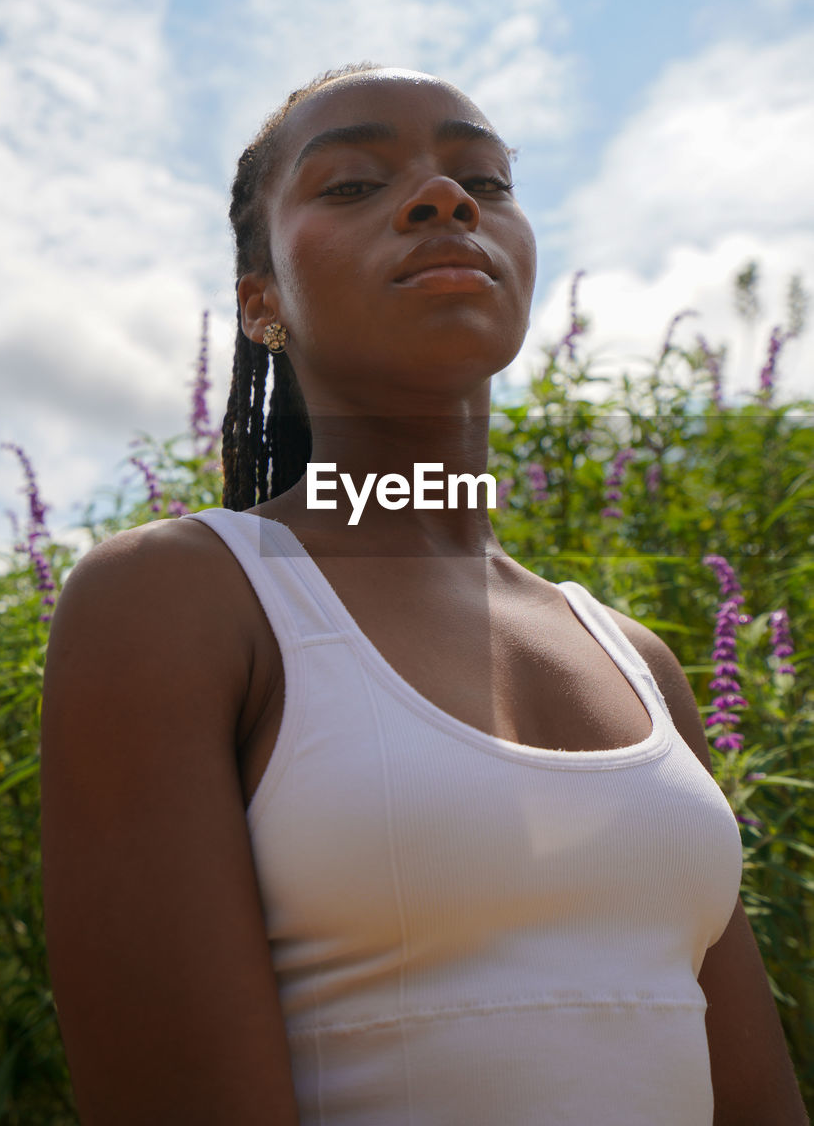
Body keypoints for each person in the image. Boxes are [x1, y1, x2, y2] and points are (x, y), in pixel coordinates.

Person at [41, 65, 807, 1125]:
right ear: (261, 303)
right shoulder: (178, 602)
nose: (444, 200)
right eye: (352, 184)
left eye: (483, 182)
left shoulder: (636, 657)